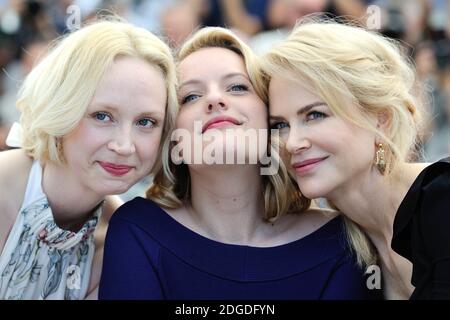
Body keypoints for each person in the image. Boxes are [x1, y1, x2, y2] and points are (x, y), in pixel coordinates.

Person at [99, 26, 378, 300]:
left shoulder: (340, 239)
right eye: (191, 96)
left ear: (272, 119)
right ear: (172, 139)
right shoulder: (138, 229)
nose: (215, 99)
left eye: (237, 87)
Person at [263, 19, 450, 299]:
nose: (292, 143)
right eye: (280, 125)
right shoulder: (340, 252)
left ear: (381, 119)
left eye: (315, 115)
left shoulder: (443, 201)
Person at [0, 19, 178, 300]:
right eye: (102, 116)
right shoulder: (3, 190)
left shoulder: (119, 237)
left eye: (146, 121)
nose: (123, 145)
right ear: (62, 107)